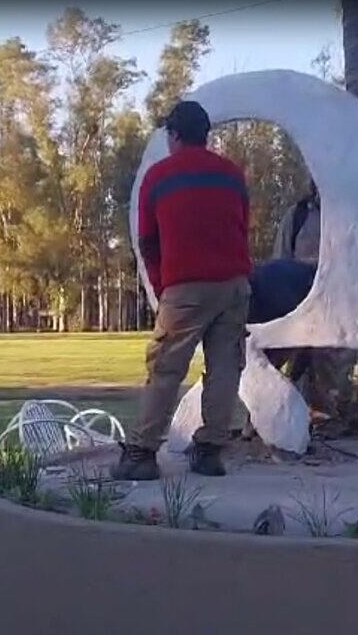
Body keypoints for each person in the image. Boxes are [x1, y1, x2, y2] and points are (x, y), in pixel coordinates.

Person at [112, 101, 251, 480]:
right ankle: (210, 452)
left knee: (166, 369)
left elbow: (148, 241)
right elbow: (242, 227)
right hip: (234, 286)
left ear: (174, 135)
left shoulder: (158, 177)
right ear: (204, 135)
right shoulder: (232, 174)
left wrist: (163, 288)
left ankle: (142, 453)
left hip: (185, 287)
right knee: (225, 368)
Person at [271, 180, 356, 427]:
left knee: (335, 363)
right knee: (297, 361)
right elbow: (281, 259)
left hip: (338, 302)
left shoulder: (351, 218)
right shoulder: (297, 216)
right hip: (299, 300)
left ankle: (336, 417)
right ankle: (294, 417)